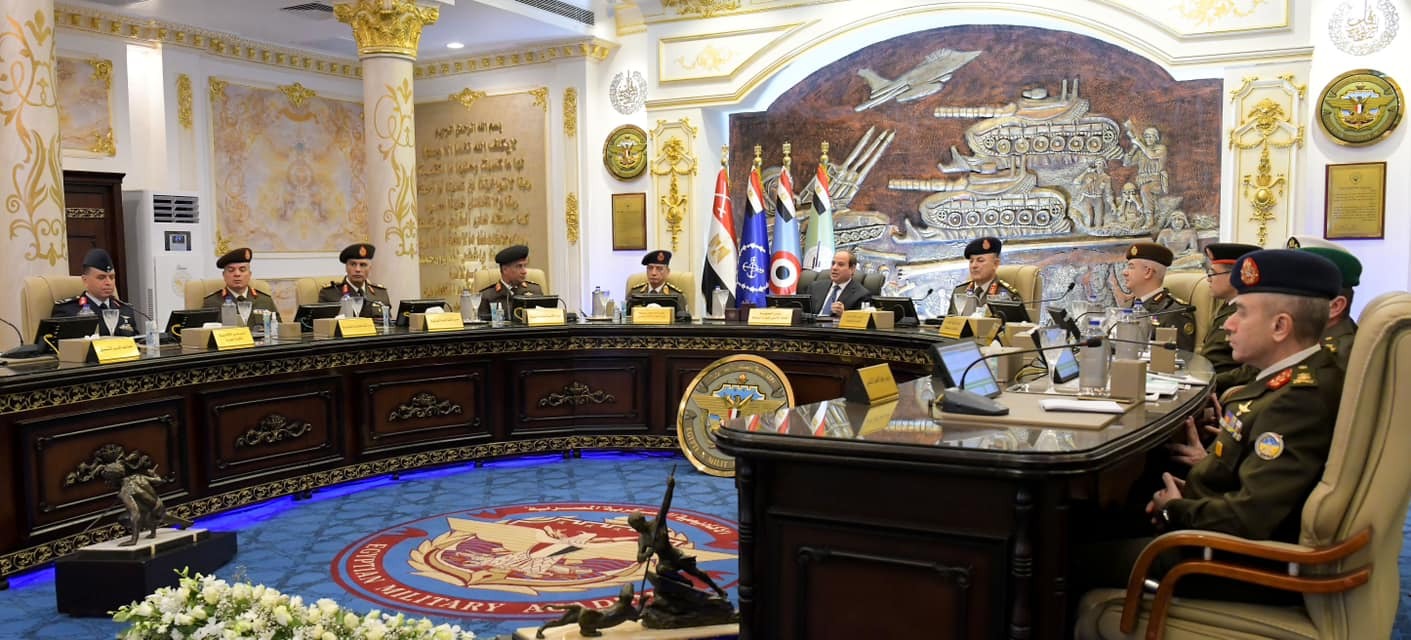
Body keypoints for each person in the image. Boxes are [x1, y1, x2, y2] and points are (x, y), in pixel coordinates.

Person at [1095, 249, 1345, 603]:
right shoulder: (1290, 379)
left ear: (1280, 327)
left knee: (1063, 555)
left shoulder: (1299, 399)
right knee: (1095, 517)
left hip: (1228, 564)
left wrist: (1174, 508)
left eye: (1241, 312)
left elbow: (1252, 516)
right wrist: (1200, 476)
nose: (1228, 323)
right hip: (1213, 530)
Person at [1197, 242, 1261, 374]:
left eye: (1212, 273)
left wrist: (1211, 382)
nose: (1209, 279)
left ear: (1234, 276)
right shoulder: (1227, 307)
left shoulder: (1250, 313)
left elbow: (1250, 370)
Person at [1120, 242, 1196, 352]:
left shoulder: (1173, 312)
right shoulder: (1127, 306)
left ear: (1148, 272)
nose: (1124, 272)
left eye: (1131, 267)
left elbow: (1180, 358)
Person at [51, 248, 138, 337]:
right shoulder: (69, 311)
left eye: (111, 277)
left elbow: (137, 342)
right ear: (85, 280)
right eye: (101, 277)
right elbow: (55, 344)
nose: (108, 282)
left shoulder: (125, 310)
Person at [202, 248, 281, 321]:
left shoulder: (265, 300)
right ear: (224, 275)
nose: (237, 274)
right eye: (231, 270)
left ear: (249, 274)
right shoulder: (212, 303)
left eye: (242, 270)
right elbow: (204, 331)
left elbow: (278, 328)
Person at [946, 236, 1018, 316]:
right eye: (971, 261)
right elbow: (950, 322)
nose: (974, 266)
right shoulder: (959, 292)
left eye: (980, 260)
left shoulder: (1005, 296)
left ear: (995, 264)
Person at [318, 243, 391, 318]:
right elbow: (322, 323)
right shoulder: (330, 294)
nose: (357, 269)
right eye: (353, 264)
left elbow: (388, 322)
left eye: (363, 265)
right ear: (346, 267)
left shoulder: (380, 293)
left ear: (370, 268)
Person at [477, 244, 542, 320]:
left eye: (525, 266)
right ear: (505, 270)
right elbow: (483, 325)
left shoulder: (535, 291)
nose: (524, 271)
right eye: (519, 266)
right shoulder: (488, 296)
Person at [629, 250, 690, 321]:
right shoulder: (635, 293)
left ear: (667, 271)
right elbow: (626, 318)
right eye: (650, 268)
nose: (653, 273)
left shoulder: (676, 296)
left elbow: (682, 322)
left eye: (659, 269)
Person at [807, 249, 871, 317]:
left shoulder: (861, 295)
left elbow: (861, 320)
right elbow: (803, 313)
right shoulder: (815, 287)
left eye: (840, 264)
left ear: (852, 269)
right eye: (833, 263)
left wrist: (843, 314)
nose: (834, 268)